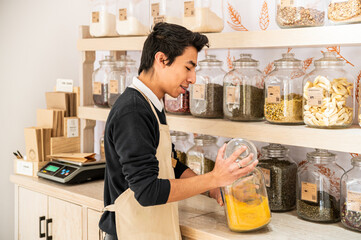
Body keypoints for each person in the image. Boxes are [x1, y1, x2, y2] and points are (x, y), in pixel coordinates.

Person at [99, 22, 258, 240]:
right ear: (162, 59)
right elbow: (147, 191)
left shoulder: (151, 103)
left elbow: (170, 163)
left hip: (151, 228)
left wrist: (210, 188)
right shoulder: (133, 111)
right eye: (188, 67)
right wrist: (214, 178)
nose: (192, 78)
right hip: (129, 233)